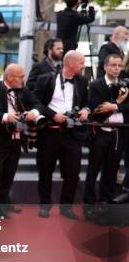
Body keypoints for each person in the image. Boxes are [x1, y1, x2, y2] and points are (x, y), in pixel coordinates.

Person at [33, 51, 90, 219]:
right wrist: (52, 115)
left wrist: (86, 110)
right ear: (71, 63)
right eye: (81, 62)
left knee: (73, 172)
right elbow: (36, 102)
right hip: (49, 132)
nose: (84, 65)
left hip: (72, 134)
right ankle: (44, 205)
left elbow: (87, 103)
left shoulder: (83, 81)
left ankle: (66, 207)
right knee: (45, 170)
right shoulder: (46, 79)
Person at [0, 64, 38, 219]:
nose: (23, 79)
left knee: (9, 173)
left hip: (16, 140)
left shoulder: (24, 91)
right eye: (21, 76)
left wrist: (33, 112)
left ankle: (2, 201)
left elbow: (37, 104)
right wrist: (5, 117)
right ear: (10, 77)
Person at [83, 54, 129, 219]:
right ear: (105, 66)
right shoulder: (96, 85)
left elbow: (123, 106)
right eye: (114, 65)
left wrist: (116, 106)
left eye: (119, 65)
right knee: (93, 169)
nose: (117, 68)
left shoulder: (126, 84)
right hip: (100, 132)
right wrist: (117, 103)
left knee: (111, 170)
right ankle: (88, 204)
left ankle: (106, 202)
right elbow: (97, 108)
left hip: (118, 133)